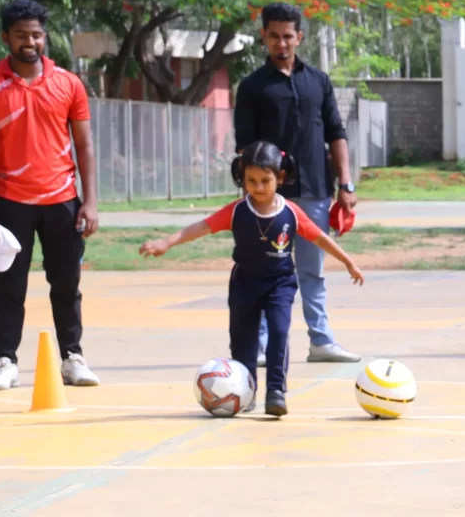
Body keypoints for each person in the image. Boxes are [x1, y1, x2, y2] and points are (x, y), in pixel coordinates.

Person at [138, 141, 366, 419]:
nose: (258, 187)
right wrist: (166, 242)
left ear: (280, 178)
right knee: (243, 342)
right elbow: (200, 227)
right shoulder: (236, 211)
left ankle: (276, 392)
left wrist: (347, 261)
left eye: (265, 181)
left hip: (280, 283)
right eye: (251, 181)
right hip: (245, 282)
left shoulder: (291, 212)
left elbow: (319, 236)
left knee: (279, 334)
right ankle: (246, 392)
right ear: (242, 178)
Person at [0, 0, 99, 392]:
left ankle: (73, 357)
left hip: (62, 200)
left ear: (46, 37)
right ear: (6, 37)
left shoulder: (68, 84)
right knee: (8, 287)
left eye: (37, 34)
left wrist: (89, 201)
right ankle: (6, 361)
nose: (31, 41)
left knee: (66, 283)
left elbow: (85, 145)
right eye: (22, 34)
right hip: (8, 201)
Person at [232, 3, 362, 364]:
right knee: (264, 269)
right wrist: (253, 194)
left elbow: (336, 133)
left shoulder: (317, 81)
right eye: (274, 36)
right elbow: (244, 146)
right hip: (267, 199)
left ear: (299, 37)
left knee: (312, 270)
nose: (281, 43)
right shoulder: (253, 87)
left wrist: (346, 185)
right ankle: (258, 347)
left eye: (288, 36)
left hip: (315, 191)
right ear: (264, 37)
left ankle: (321, 341)